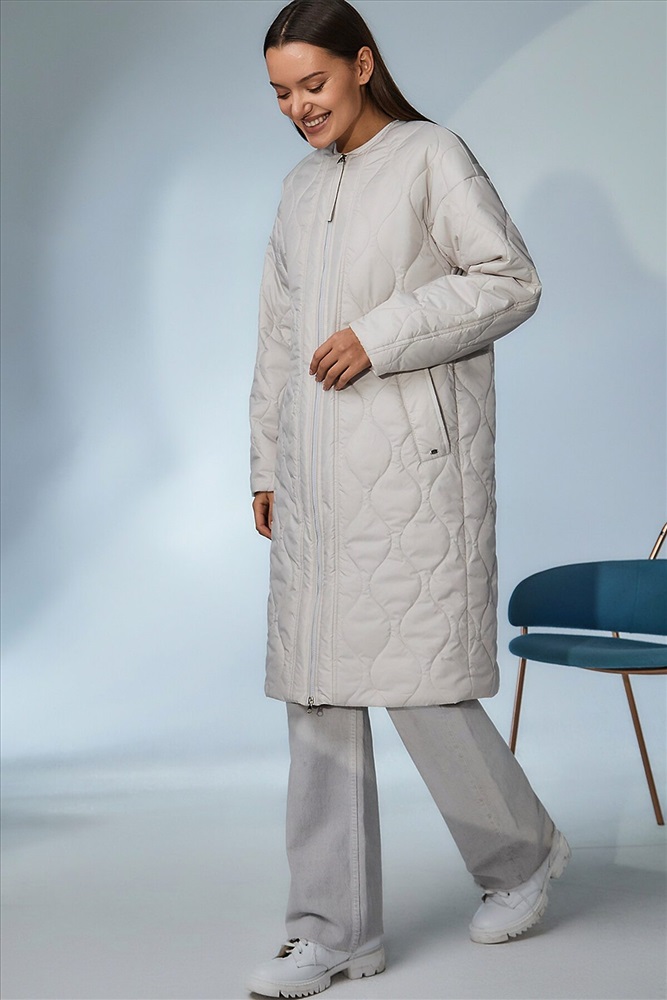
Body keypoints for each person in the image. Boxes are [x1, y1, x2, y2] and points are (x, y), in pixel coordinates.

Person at [248, 1, 569, 995]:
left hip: (411, 471)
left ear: (361, 63)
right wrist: (264, 464)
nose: (299, 107)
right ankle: (332, 931)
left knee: (422, 687)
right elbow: (275, 339)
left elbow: (508, 279)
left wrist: (379, 335)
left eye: (312, 83)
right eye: (281, 94)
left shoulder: (432, 155)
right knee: (318, 691)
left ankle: (522, 857)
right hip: (314, 476)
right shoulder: (300, 189)